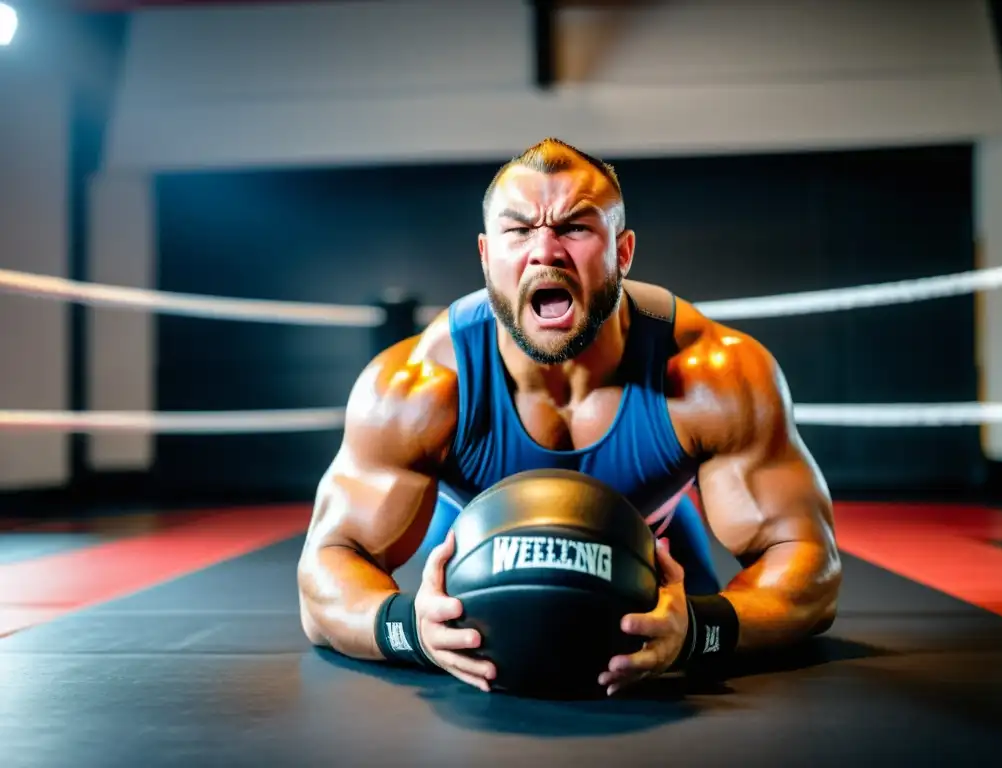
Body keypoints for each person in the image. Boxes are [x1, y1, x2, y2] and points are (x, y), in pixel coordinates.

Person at [297, 137, 841, 696]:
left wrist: (701, 629)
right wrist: (409, 628)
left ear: (622, 253)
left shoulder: (713, 374)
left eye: (576, 227)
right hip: (472, 541)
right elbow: (325, 578)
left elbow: (807, 567)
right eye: (519, 229)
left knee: (689, 649)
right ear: (487, 256)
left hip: (654, 546)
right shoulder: (418, 388)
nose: (545, 251)